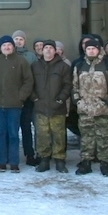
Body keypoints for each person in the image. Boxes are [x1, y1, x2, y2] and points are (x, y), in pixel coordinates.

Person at [72, 39, 108, 177]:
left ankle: (105, 164)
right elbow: (74, 86)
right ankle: (85, 164)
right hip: (85, 110)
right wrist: (78, 102)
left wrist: (107, 102)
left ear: (99, 49)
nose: (91, 51)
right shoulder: (79, 66)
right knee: (86, 138)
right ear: (85, 50)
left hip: (103, 110)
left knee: (104, 139)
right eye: (88, 49)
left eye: (94, 48)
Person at [0, 36, 34, 173]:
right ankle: (2, 161)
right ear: (0, 47)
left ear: (13, 47)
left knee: (13, 134)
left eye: (9, 45)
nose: (7, 47)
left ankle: (14, 162)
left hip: (14, 105)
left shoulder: (21, 61)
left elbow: (28, 81)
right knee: (0, 134)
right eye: (4, 45)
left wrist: (20, 97)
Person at [31, 40, 73, 173]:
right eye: (46, 48)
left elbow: (68, 85)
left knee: (59, 135)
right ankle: (44, 160)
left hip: (57, 108)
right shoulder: (35, 66)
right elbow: (29, 83)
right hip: (41, 107)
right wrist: (35, 98)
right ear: (41, 50)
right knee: (42, 135)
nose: (48, 50)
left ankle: (60, 160)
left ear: (55, 51)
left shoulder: (63, 67)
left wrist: (61, 99)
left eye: (51, 48)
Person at [13, 29, 38, 166]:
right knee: (12, 129)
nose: (18, 41)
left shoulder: (31, 56)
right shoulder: (8, 55)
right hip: (12, 99)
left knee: (26, 127)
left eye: (21, 39)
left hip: (27, 98)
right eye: (16, 39)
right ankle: (13, 155)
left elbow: (33, 77)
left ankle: (29, 154)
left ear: (25, 41)